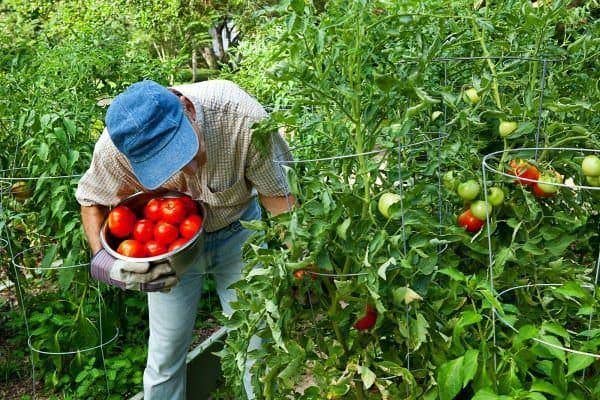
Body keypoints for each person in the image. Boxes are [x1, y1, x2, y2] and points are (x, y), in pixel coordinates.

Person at [75, 79, 295, 399]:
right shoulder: (117, 147)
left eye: (184, 150)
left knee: (255, 341)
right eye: (163, 165)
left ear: (188, 109)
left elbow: (280, 199)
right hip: (169, 253)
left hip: (238, 234)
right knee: (165, 354)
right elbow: (91, 199)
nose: (187, 169)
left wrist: (299, 256)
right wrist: (105, 262)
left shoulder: (242, 118)